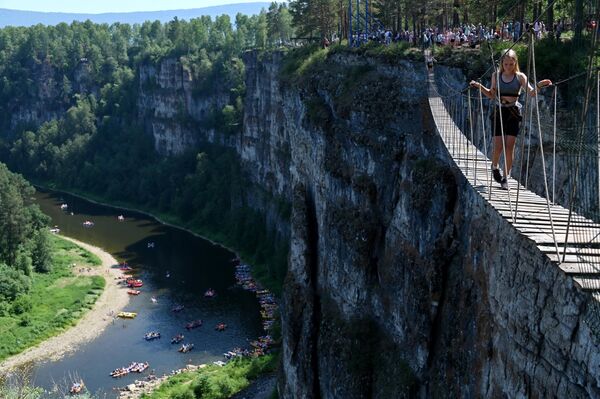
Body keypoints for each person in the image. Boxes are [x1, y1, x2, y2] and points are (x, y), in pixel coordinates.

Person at [470, 49, 552, 190]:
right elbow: (491, 94)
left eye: (511, 64)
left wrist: (539, 85)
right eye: (506, 64)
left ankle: (506, 177)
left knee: (509, 147)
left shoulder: (520, 77)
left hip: (513, 112)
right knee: (498, 146)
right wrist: (479, 87)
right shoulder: (496, 75)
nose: (508, 67)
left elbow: (531, 93)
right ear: (502, 63)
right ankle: (494, 167)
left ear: (515, 63)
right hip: (499, 111)